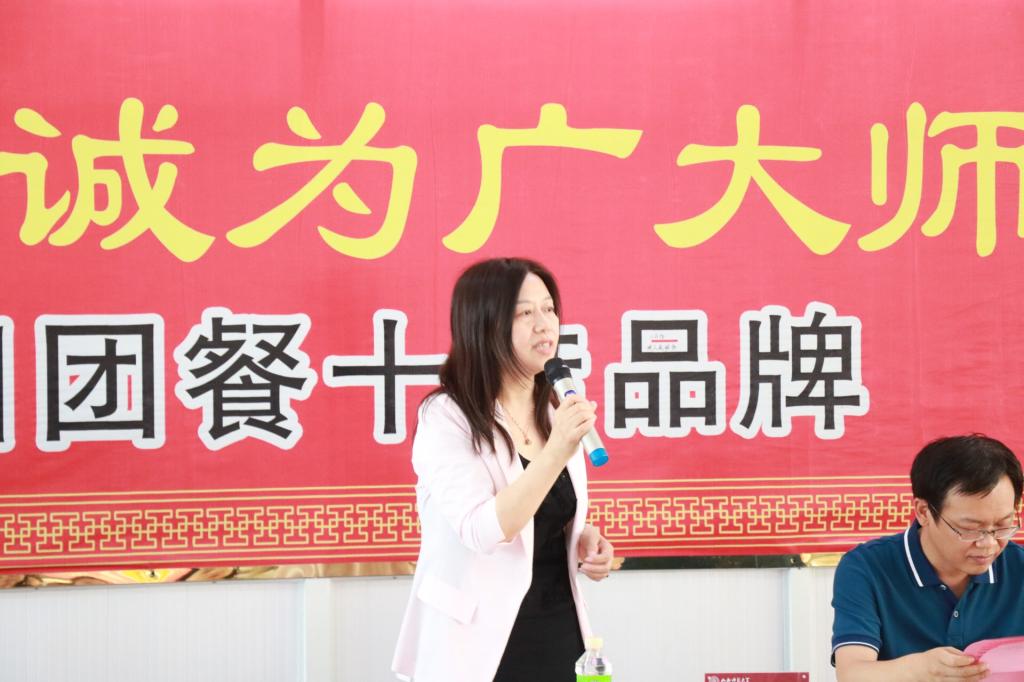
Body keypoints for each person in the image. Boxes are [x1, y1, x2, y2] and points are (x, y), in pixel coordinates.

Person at [391, 257, 614, 682]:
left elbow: (539, 513)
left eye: (549, 309)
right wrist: (556, 450)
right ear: (485, 325)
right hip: (475, 644)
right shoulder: (446, 416)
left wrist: (579, 537)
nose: (544, 325)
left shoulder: (554, 407)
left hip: (559, 633)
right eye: (524, 313)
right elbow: (483, 530)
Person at [832, 434, 1024, 681]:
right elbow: (852, 673)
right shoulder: (867, 568)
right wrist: (919, 669)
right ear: (923, 512)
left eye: (1003, 525)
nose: (988, 544)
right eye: (970, 529)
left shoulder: (1019, 566)